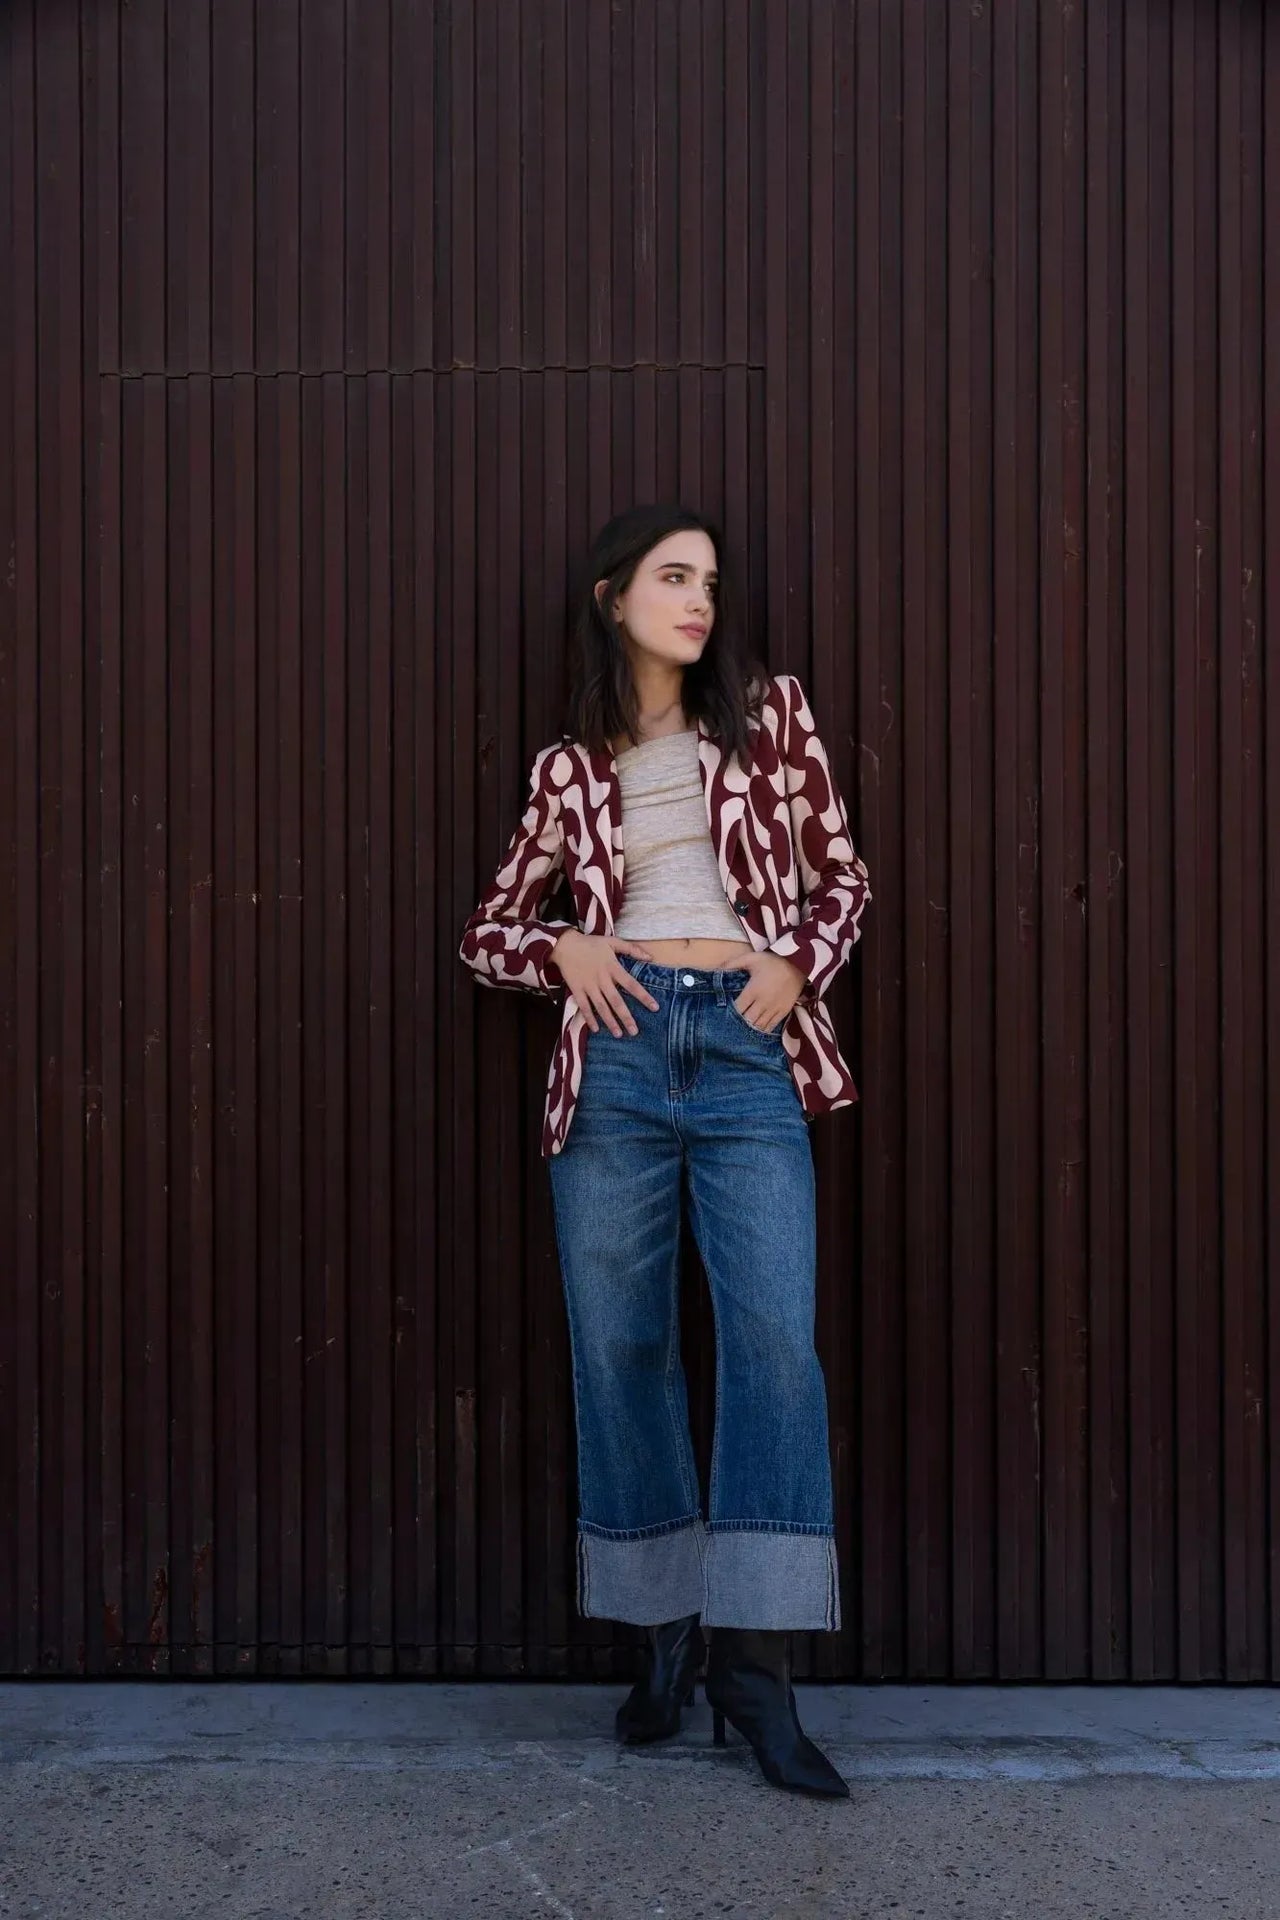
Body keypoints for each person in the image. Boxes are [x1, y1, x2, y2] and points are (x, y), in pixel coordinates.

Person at [458, 503, 872, 1799]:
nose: (698, 600)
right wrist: (564, 947)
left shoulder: (773, 716)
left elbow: (841, 880)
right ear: (609, 597)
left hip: (748, 1056)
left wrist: (793, 969)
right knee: (623, 1347)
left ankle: (758, 1671)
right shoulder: (568, 767)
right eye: (669, 577)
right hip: (620, 1061)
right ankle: (665, 1642)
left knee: (771, 1348)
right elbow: (488, 928)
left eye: (707, 580)